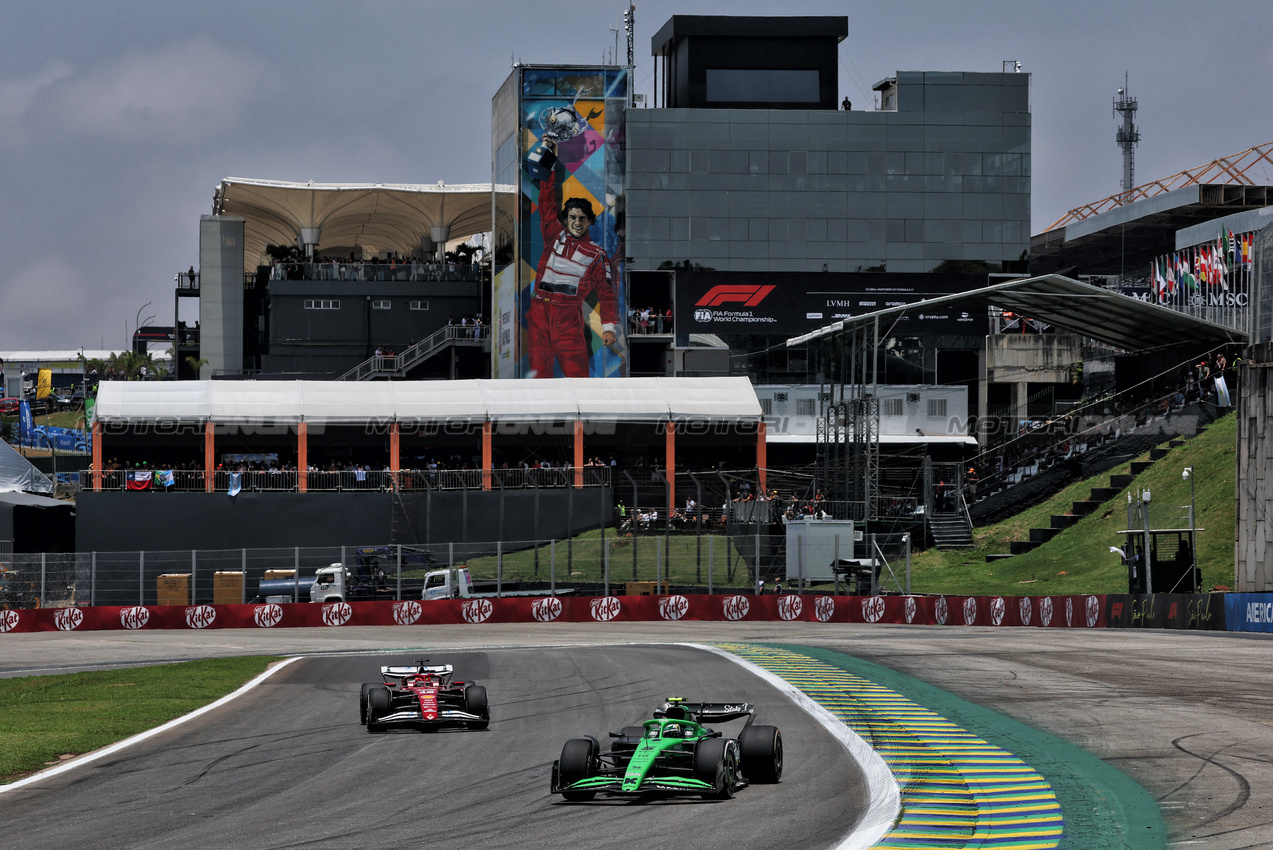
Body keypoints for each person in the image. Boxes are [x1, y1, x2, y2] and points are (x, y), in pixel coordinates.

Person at [526, 138, 618, 378]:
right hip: (539, 313)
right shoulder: (554, 234)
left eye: (582, 218)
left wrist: (608, 328)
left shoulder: (597, 255)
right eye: (573, 217)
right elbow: (546, 200)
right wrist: (551, 159)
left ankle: (580, 417)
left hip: (568, 318)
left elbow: (606, 294)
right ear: (566, 219)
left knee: (577, 376)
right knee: (538, 376)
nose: (577, 222)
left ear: (590, 222)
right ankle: (543, 415)